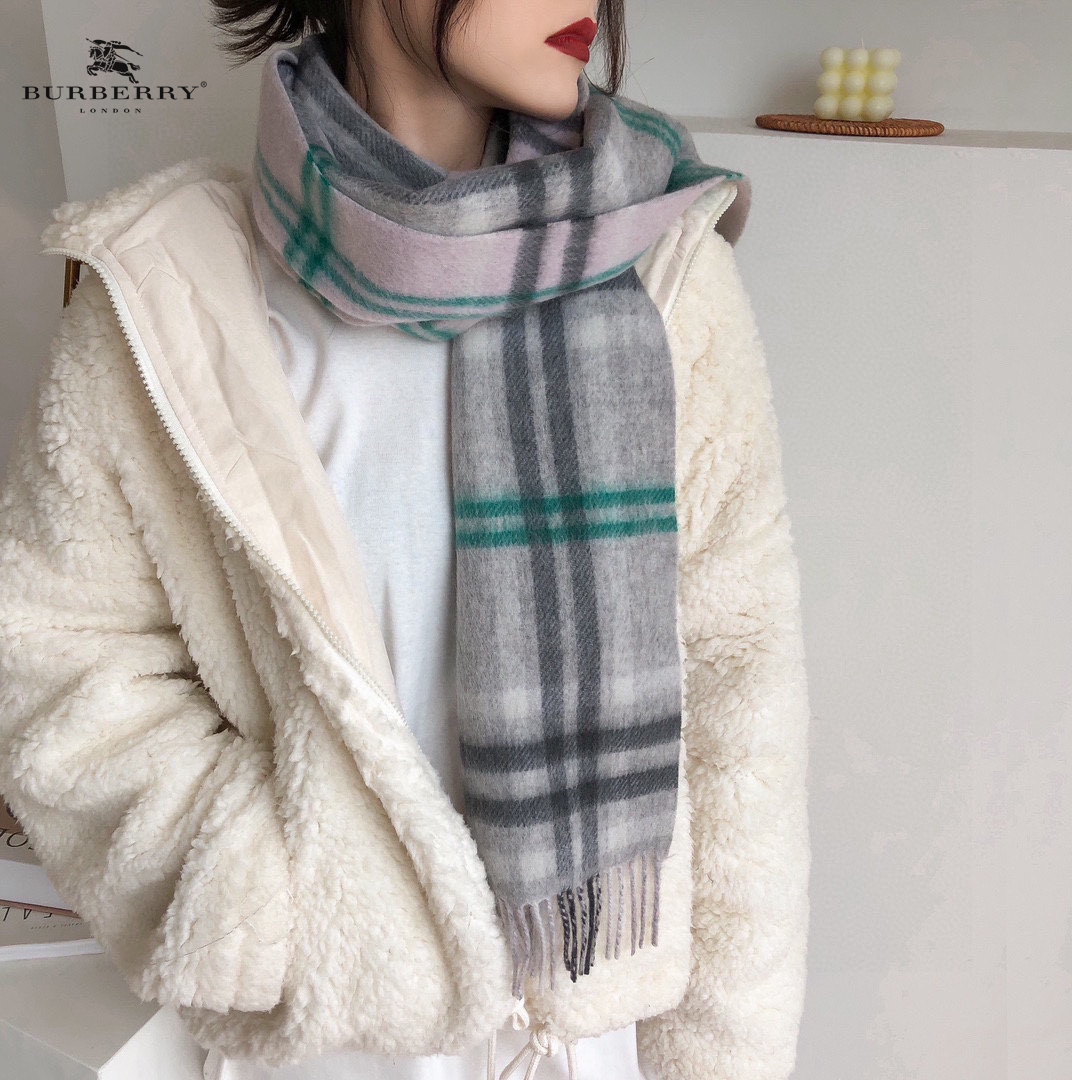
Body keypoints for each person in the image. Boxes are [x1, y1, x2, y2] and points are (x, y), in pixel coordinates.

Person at [0, 2, 812, 1078]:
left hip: (579, 1045)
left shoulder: (664, 273)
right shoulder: (171, 286)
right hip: (319, 1045)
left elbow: (740, 701)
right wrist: (271, 898)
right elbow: (54, 650)